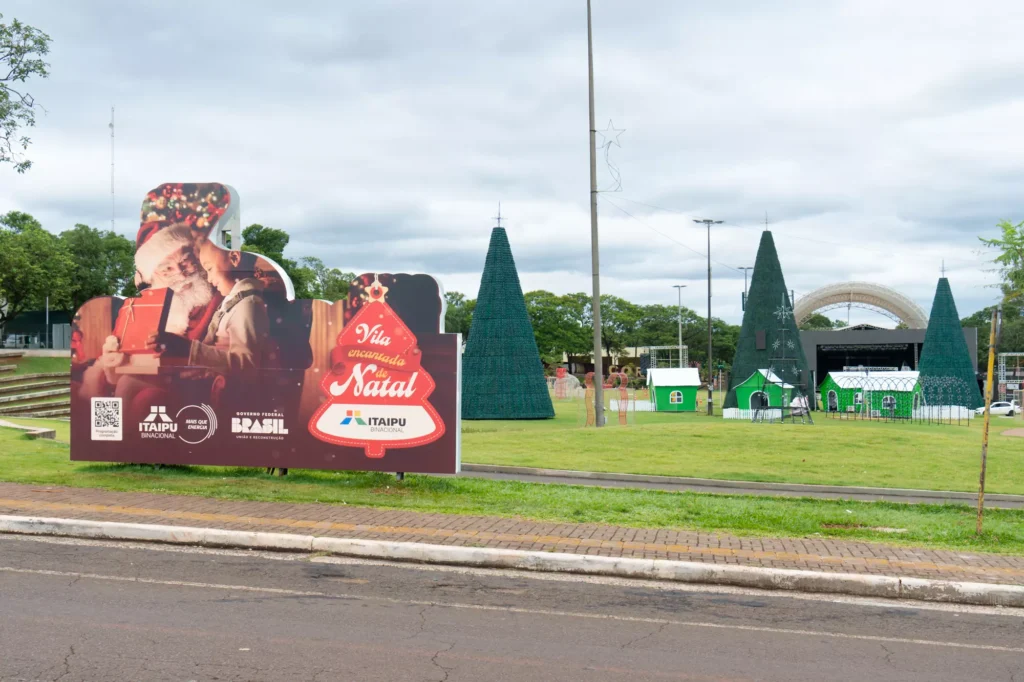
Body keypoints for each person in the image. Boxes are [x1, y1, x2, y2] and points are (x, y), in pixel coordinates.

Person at [147, 239, 272, 374]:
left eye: (210, 269)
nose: (208, 278)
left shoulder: (248, 304)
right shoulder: (233, 301)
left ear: (235, 258)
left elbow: (246, 366)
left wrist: (188, 350)